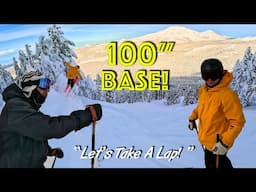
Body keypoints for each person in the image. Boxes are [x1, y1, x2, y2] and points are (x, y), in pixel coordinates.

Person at [0, 70, 102, 168]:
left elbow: (34, 134)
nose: (48, 90)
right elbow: (49, 127)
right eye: (44, 85)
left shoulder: (25, 108)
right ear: (30, 87)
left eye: (48, 86)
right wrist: (85, 116)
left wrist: (47, 151)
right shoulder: (15, 109)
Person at [188, 58, 245, 169]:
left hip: (218, 144)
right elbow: (201, 107)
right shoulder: (204, 91)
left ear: (220, 74)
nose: (209, 80)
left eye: (213, 76)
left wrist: (224, 143)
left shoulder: (227, 95)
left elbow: (238, 122)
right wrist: (192, 117)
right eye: (206, 76)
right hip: (206, 141)